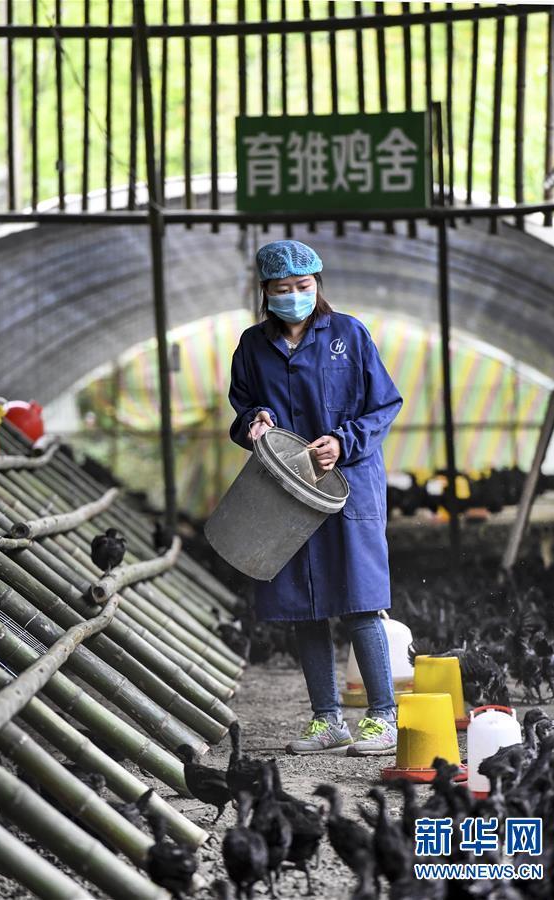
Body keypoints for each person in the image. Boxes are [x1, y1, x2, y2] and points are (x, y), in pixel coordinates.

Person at [228, 239, 404, 755]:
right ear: (266, 292)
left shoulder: (348, 333)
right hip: (286, 488)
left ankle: (383, 717)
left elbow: (384, 404)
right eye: (283, 290)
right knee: (303, 603)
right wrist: (254, 421)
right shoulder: (252, 346)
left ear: (318, 284)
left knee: (360, 600)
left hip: (348, 485)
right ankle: (327, 719)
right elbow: (243, 407)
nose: (295, 296)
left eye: (304, 287)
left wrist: (343, 441)